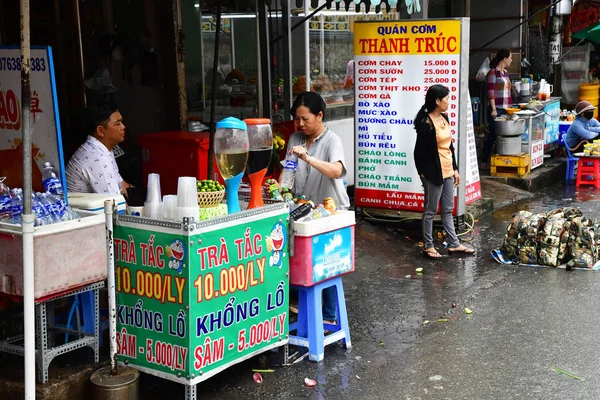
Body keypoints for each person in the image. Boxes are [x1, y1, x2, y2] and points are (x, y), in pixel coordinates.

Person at [277, 91, 350, 324]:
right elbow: (288, 171)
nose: (300, 124)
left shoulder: (332, 141)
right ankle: (301, 311)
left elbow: (337, 170)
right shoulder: (295, 138)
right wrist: (279, 191)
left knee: (325, 263)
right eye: (297, 119)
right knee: (300, 261)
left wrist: (308, 159)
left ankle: (329, 317)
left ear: (319, 116)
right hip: (302, 210)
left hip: (330, 211)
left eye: (305, 119)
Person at [414, 84, 474, 259]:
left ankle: (454, 244)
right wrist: (423, 174)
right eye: (446, 99)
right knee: (431, 210)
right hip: (433, 174)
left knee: (447, 209)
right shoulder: (426, 124)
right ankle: (428, 245)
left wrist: (455, 169)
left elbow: (450, 147)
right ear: (437, 101)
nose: (449, 102)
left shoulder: (445, 118)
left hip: (448, 170)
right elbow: (418, 153)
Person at [66, 104, 133, 196]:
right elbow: (114, 203)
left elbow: (122, 186)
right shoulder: (97, 158)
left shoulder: (101, 149)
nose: (123, 127)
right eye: (118, 124)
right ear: (100, 131)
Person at [481, 48, 514, 168]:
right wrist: (494, 109)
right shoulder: (492, 73)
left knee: (504, 135)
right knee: (493, 134)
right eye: (510, 58)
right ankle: (484, 160)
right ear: (504, 59)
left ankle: (499, 159)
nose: (511, 60)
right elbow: (491, 92)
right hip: (497, 109)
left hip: (507, 108)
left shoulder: (505, 73)